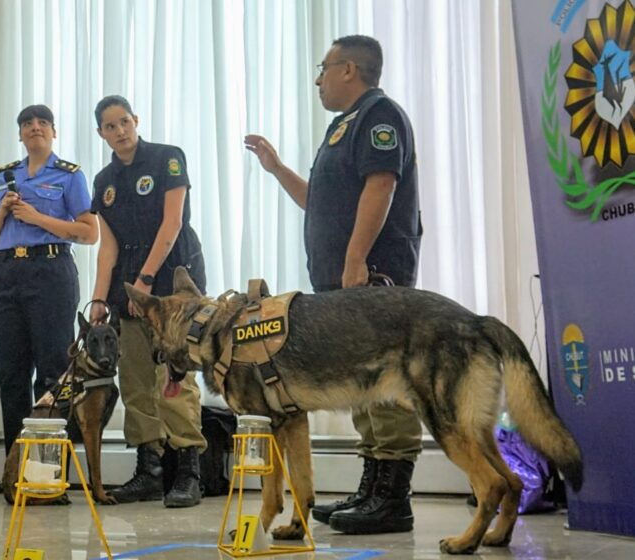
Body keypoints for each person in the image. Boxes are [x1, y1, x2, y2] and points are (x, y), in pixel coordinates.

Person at [245, 35, 423, 534]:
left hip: (371, 277)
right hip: (342, 284)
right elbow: (321, 204)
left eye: (323, 69)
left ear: (349, 70)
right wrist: (278, 168)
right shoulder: (342, 127)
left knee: (386, 380)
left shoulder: (379, 115)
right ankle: (371, 486)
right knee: (362, 380)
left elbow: (381, 184)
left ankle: (392, 496)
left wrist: (356, 257)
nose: (319, 80)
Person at [90, 95, 206, 508]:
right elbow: (109, 245)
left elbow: (172, 223)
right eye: (110, 126)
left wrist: (145, 280)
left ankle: (188, 470)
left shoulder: (166, 159)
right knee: (136, 378)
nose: (120, 131)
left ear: (136, 121)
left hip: (172, 280)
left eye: (124, 122)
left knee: (174, 377)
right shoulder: (103, 180)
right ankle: (150, 469)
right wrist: (99, 297)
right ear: (101, 133)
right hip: (129, 288)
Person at [0, 104, 98, 461]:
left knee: (52, 373)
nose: (35, 128)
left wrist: (37, 216)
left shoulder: (69, 175)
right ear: (19, 134)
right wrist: (3, 210)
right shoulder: (5, 176)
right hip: (6, 274)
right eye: (27, 124)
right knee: (11, 376)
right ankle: (15, 470)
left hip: (50, 271)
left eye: (43, 123)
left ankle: (48, 468)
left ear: (53, 132)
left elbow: (89, 233)